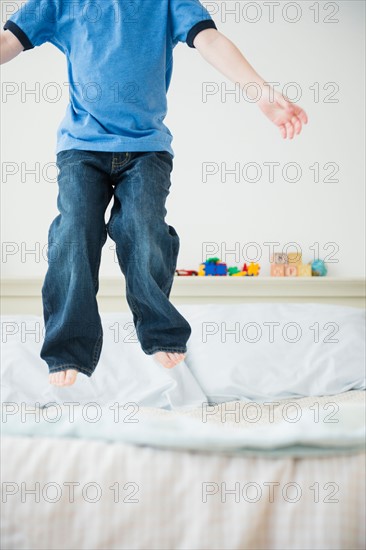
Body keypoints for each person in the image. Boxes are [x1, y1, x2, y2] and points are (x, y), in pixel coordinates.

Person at [0, 0, 308, 387]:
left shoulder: (165, 2)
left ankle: (160, 330)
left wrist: (259, 90)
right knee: (75, 231)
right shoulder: (61, 3)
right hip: (81, 147)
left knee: (143, 229)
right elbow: (9, 41)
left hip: (147, 149)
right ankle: (68, 349)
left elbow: (210, 40)